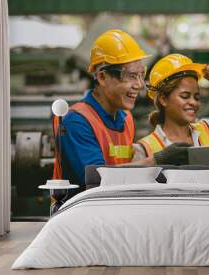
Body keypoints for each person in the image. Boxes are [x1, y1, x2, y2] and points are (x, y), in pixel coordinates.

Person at [52, 29, 151, 187]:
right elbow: (97, 180)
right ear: (102, 77)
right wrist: (153, 162)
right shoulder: (76, 121)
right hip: (82, 210)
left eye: (141, 75)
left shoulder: (126, 119)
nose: (139, 85)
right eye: (132, 76)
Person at [133, 53, 209, 162]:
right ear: (163, 99)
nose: (193, 103)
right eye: (185, 96)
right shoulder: (144, 148)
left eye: (197, 97)